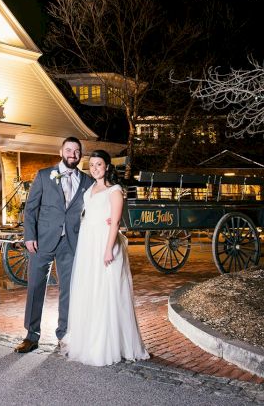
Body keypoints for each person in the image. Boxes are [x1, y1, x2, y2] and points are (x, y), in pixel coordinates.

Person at [62, 149, 149, 366]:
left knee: (107, 292)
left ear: (107, 166)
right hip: (88, 243)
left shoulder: (115, 191)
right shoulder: (90, 188)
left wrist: (109, 248)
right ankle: (89, 339)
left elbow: (116, 222)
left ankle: (108, 344)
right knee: (90, 290)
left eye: (99, 164)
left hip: (105, 243)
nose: (95, 168)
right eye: (91, 165)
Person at [14, 137, 94, 353]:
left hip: (71, 243)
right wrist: (29, 236)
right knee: (35, 287)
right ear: (61, 151)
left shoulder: (87, 182)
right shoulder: (43, 175)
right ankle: (31, 336)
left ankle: (64, 335)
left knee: (68, 290)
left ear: (80, 155)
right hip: (42, 241)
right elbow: (31, 209)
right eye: (69, 150)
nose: (73, 154)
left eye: (77, 151)